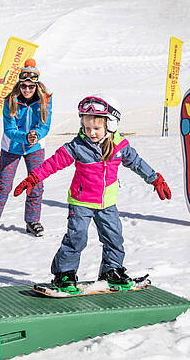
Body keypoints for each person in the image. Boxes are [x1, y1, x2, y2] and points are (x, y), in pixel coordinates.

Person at [14, 94, 171, 294]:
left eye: (96, 128)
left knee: (114, 237)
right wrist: (34, 177)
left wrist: (155, 179)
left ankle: (111, 270)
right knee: (76, 238)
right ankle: (64, 273)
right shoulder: (78, 145)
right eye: (87, 128)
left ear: (111, 124)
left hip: (107, 203)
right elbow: (55, 162)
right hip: (80, 202)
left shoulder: (120, 146)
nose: (91, 133)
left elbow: (138, 163)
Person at [0, 59, 52, 237]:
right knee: (4, 185)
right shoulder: (11, 100)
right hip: (11, 147)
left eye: (31, 86)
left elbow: (45, 125)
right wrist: (25, 137)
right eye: (24, 86)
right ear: (19, 85)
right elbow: (9, 129)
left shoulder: (45, 101)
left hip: (35, 148)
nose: (27, 90)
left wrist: (36, 135)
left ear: (36, 85)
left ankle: (32, 221)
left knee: (35, 183)